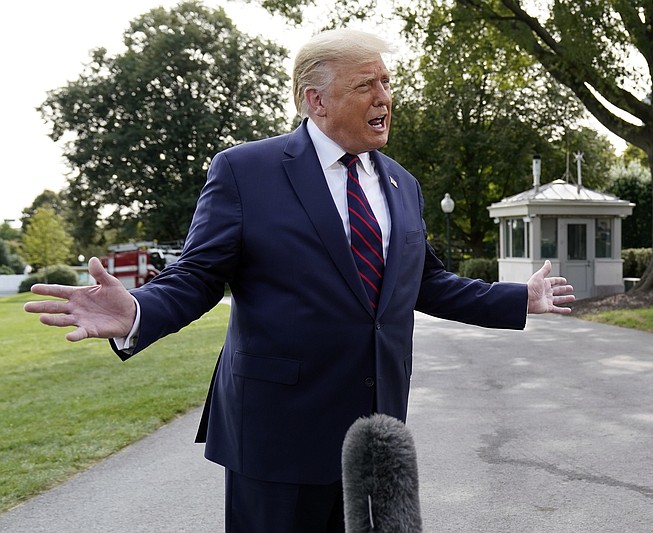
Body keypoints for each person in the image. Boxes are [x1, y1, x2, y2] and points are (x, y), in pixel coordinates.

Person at [24, 28, 574, 532]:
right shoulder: (245, 171)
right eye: (365, 85)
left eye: (386, 82)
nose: (384, 97)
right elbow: (197, 275)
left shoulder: (403, 184)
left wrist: (518, 298)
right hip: (277, 433)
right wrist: (138, 311)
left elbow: (426, 281)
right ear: (316, 100)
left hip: (374, 435)